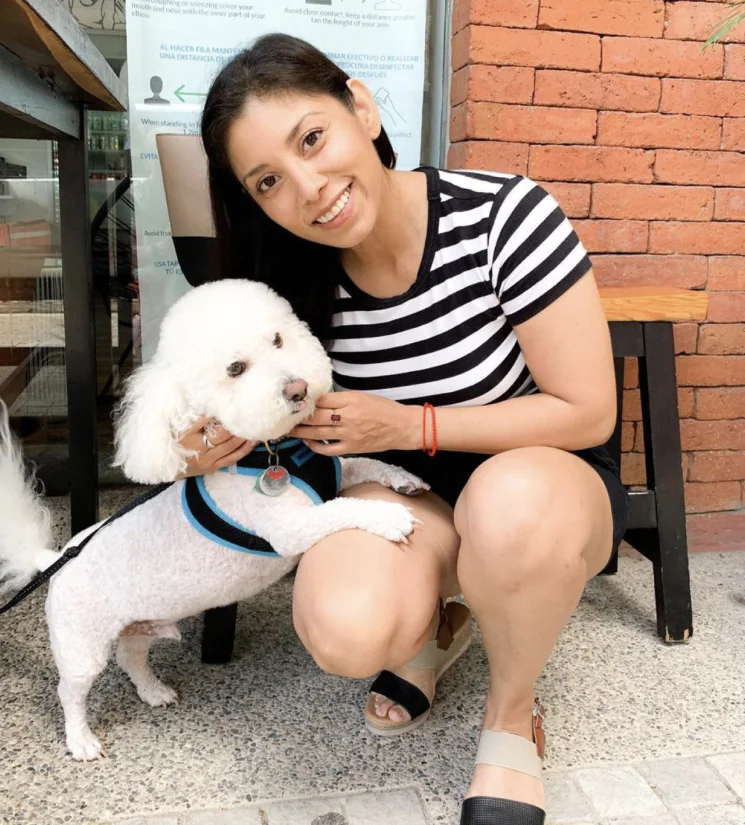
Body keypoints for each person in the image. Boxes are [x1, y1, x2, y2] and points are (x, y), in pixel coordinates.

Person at [180, 33, 629, 825]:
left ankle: (509, 712)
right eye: (269, 181)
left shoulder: (503, 215)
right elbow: (273, 414)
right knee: (345, 629)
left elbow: (587, 409)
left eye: (312, 139)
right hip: (409, 496)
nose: (310, 188)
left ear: (361, 105)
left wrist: (409, 421)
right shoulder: (286, 281)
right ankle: (434, 621)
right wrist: (218, 436)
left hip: (545, 484)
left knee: (510, 504)